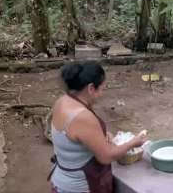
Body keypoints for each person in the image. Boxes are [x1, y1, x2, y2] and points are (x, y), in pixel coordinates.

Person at [49, 62, 147, 193]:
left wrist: (102, 135)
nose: (102, 94)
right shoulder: (82, 117)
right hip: (80, 186)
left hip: (62, 179)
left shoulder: (62, 101)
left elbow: (77, 137)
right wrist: (133, 143)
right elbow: (106, 156)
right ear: (90, 88)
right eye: (101, 88)